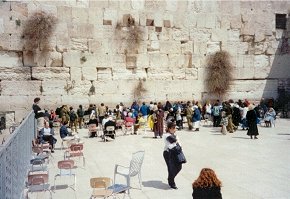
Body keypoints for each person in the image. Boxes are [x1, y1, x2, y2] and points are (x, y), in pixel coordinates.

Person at [163, 122, 182, 189]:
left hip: (176, 153)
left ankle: (170, 178)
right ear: (169, 129)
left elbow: (179, 143)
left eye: (175, 128)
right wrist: (176, 143)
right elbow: (170, 146)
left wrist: (176, 142)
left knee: (179, 167)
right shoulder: (166, 135)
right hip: (168, 154)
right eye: (173, 128)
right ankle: (172, 182)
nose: (175, 130)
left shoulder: (175, 135)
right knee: (171, 168)